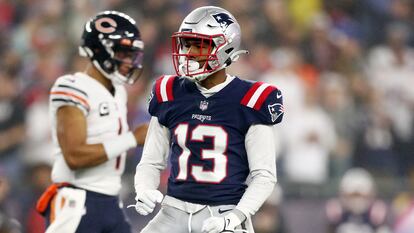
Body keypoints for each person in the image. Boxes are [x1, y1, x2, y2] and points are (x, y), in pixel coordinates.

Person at [132, 6, 284, 233]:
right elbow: (151, 161)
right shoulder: (169, 91)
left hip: (223, 213)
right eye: (186, 44)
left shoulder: (251, 99)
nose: (189, 52)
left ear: (225, 47)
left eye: (199, 45)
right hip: (173, 210)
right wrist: (143, 189)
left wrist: (234, 218)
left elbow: (264, 176)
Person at [36, 11, 148, 233]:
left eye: (131, 53)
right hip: (77, 201)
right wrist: (132, 138)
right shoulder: (71, 87)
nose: (129, 60)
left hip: (111, 200)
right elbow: (75, 156)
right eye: (123, 52)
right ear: (98, 50)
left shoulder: (118, 92)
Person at [325, 168, 391, 233]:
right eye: (353, 196)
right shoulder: (337, 220)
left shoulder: (377, 220)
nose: (357, 201)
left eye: (362, 196)